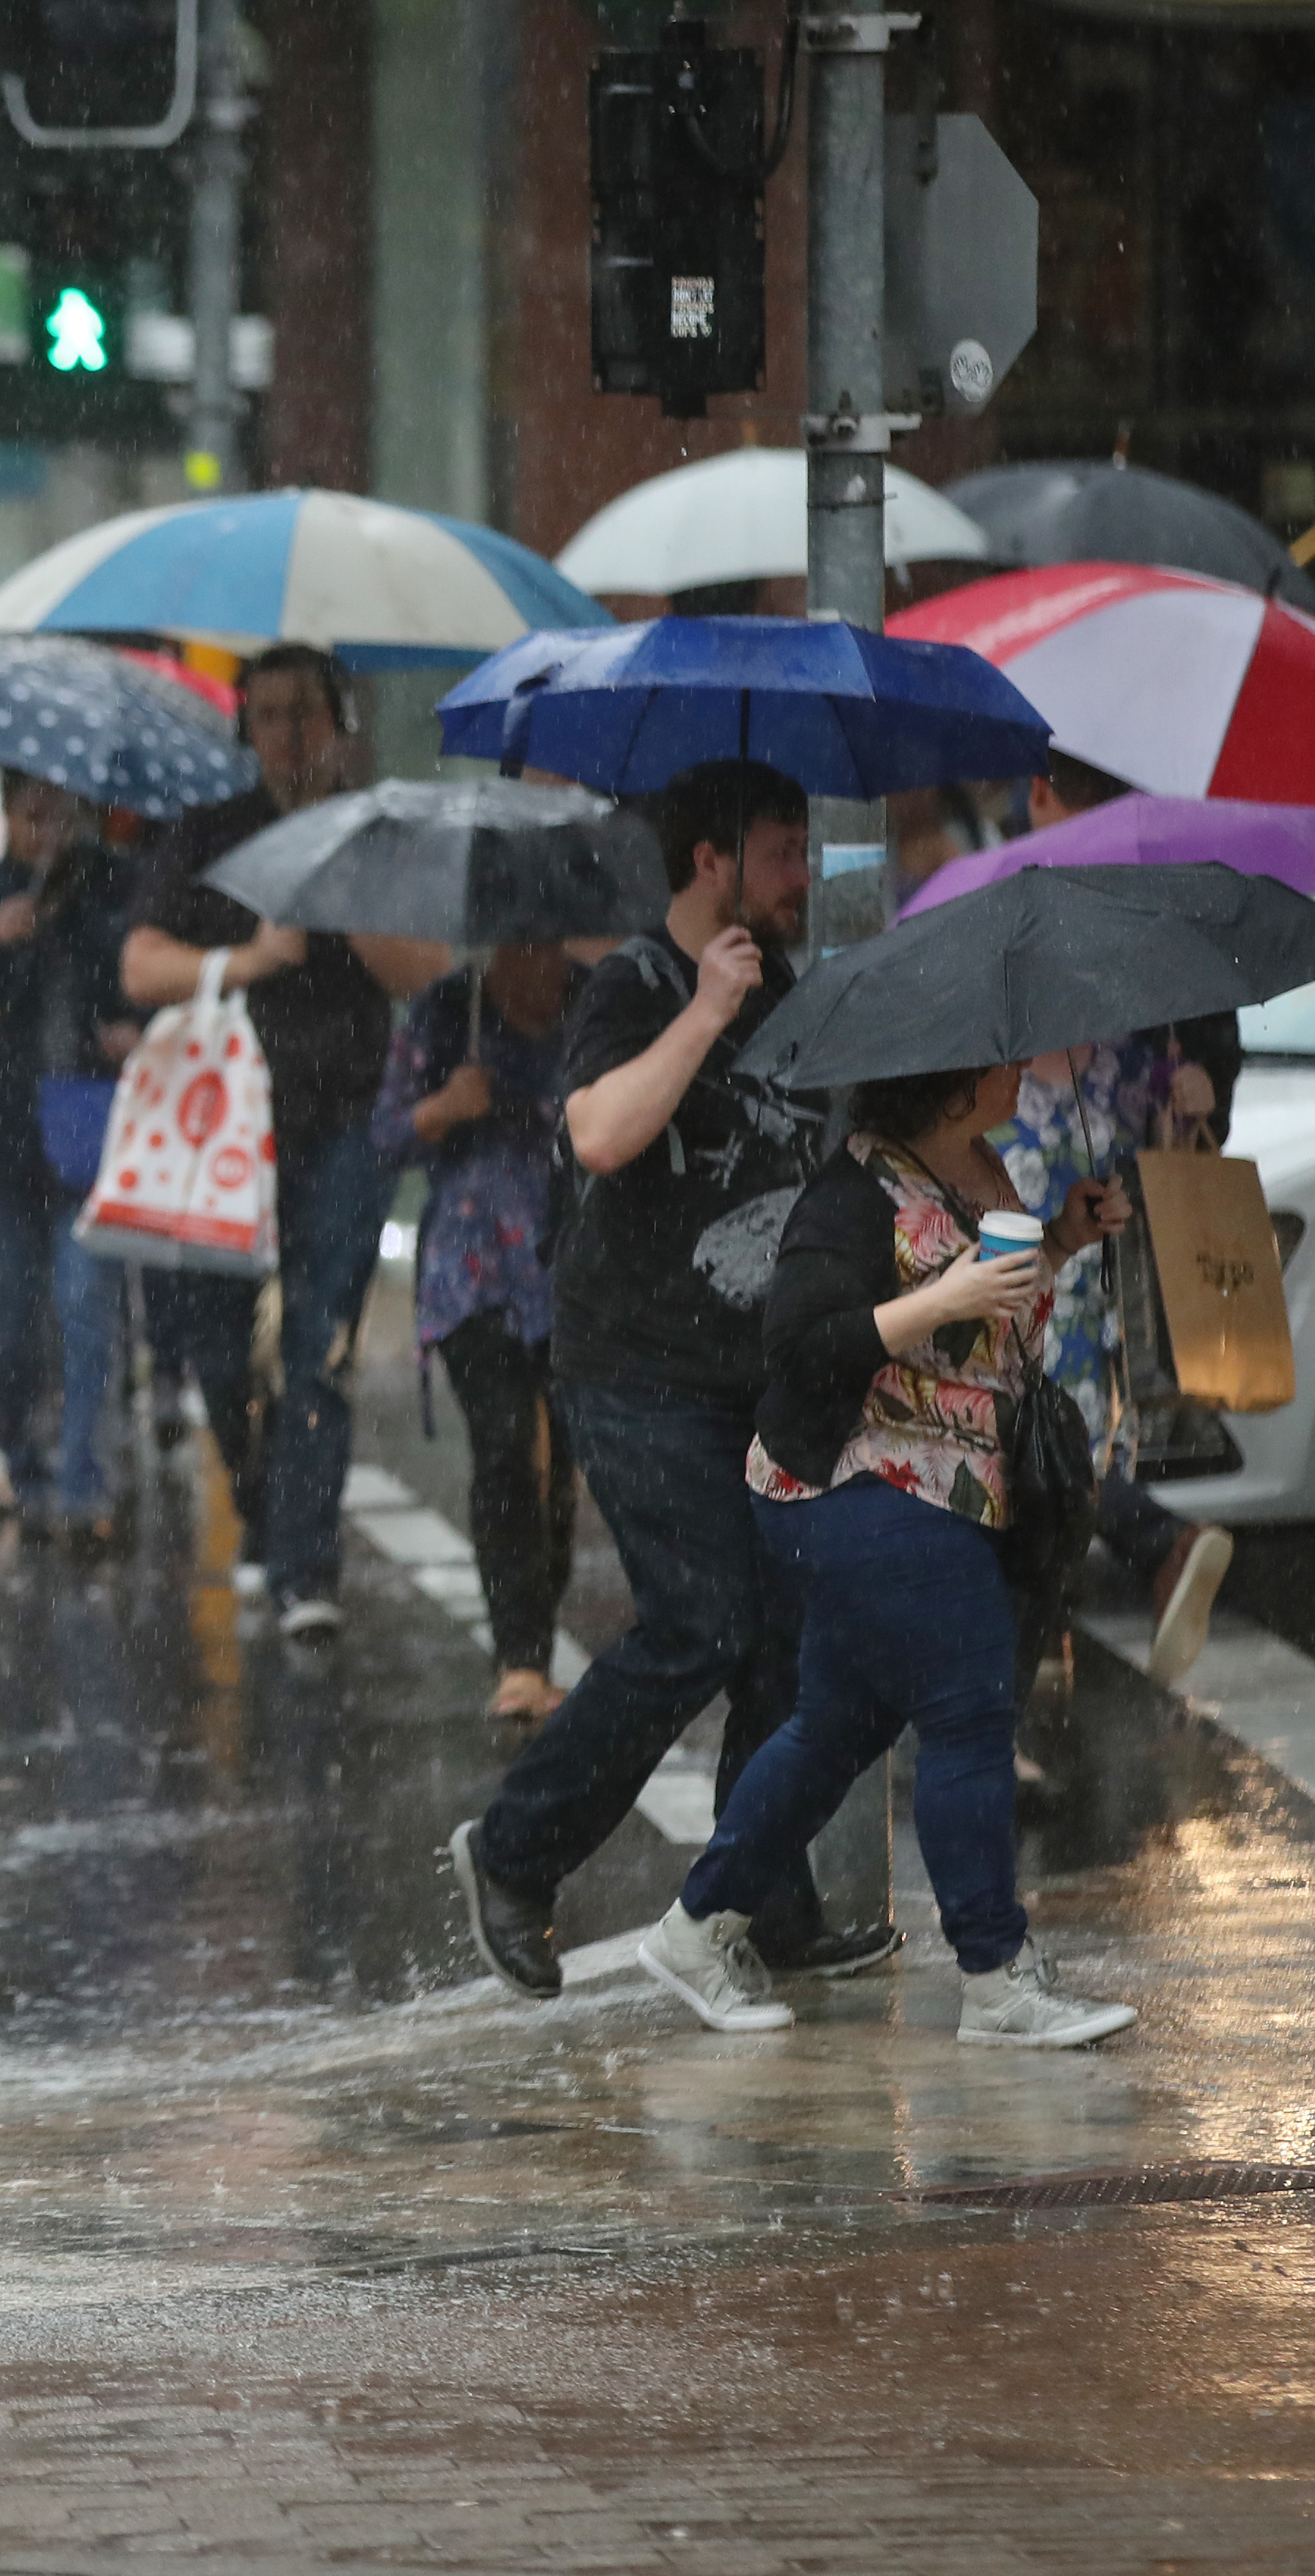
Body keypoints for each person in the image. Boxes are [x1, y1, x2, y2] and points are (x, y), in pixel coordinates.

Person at [449, 760, 879, 1999]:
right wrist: (702, 1011)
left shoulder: (792, 993)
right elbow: (596, 1133)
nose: (803, 875)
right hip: (632, 1366)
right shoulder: (636, 981)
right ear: (710, 863)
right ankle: (513, 1852)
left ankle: (760, 1898)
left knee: (786, 1641)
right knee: (701, 1617)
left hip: (753, 1371)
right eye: (782, 852)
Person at [638, 1060, 1140, 2048]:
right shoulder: (850, 1195)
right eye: (1006, 1061)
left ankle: (694, 1928)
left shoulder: (976, 1171)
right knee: (966, 1708)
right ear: (951, 1084)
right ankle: (994, 1978)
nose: (1027, 1068)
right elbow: (800, 1342)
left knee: (834, 1726)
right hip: (856, 1485)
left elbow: (987, 1308)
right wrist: (941, 1300)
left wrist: (1064, 1236)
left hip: (947, 1485)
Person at [121, 644, 437, 1634]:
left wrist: (335, 894)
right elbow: (140, 968)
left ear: (340, 725)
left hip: (347, 1122)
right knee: (217, 1346)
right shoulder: (208, 836)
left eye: (304, 714)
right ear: (244, 729)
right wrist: (251, 955)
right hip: (225, 1133)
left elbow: (422, 971)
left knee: (316, 1343)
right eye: (266, 715)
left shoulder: (373, 834)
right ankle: (264, 1510)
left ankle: (307, 1569)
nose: (287, 735)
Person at [993, 748, 1237, 1688]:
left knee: (1057, 1466)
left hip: (1088, 1306)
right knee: (1030, 1462)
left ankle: (1025, 1657)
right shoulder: (995, 937)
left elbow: (1167, 1150)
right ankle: (1154, 1548)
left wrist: (1187, 1100)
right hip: (1003, 1287)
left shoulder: (1129, 1031)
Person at [370, 943, 584, 1721]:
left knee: (561, 1461)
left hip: (569, 1265)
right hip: (472, 1270)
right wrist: (445, 1107)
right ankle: (520, 1657)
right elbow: (387, 1135)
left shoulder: (595, 1006)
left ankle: (535, 1628)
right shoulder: (443, 1013)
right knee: (502, 1450)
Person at [0, 772, 142, 1543]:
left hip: (95, 1135)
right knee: (13, 1316)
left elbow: (141, 984)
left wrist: (125, 1016)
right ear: (8, 812)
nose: (47, 828)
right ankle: (21, 1462)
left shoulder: (117, 889)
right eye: (32, 812)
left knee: (88, 1310)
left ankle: (85, 1483)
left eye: (62, 812)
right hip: (3, 1139)